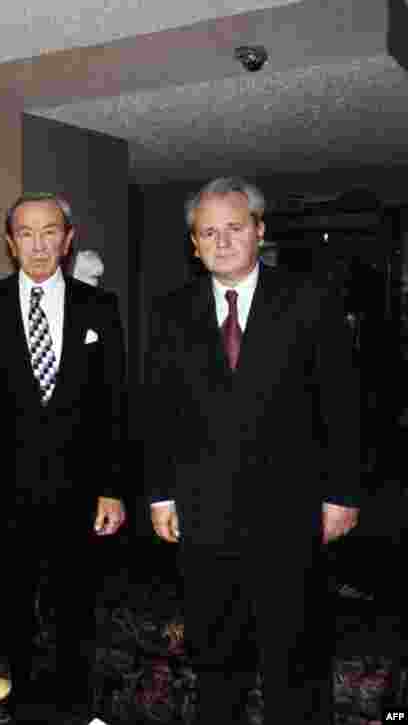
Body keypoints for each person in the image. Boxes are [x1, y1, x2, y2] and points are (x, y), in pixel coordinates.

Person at [144, 177, 361, 724]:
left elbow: (342, 402)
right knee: (217, 663)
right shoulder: (170, 311)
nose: (221, 242)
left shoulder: (311, 297)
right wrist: (160, 494)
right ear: (193, 244)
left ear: (259, 231)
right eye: (207, 233)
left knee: (296, 663)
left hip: (290, 513)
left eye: (233, 228)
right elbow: (157, 410)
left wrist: (342, 492)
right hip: (204, 517)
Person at [0, 191, 126, 714]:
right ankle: (18, 709)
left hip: (80, 496)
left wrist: (113, 488)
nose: (38, 244)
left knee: (76, 617)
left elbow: (116, 404)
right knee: (12, 618)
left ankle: (72, 710)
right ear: (10, 243)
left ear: (68, 240)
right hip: (7, 497)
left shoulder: (101, 306)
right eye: (25, 233)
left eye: (49, 231)